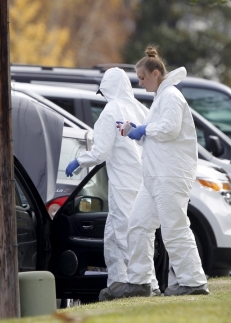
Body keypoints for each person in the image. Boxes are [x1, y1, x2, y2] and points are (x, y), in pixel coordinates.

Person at [111, 46, 209, 298]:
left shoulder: (171, 96)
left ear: (156, 73)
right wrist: (136, 131)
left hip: (171, 175)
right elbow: (158, 134)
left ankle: (194, 282)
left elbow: (170, 129)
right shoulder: (160, 99)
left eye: (142, 78)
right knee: (138, 225)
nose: (140, 84)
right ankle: (140, 281)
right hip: (154, 177)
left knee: (174, 228)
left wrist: (143, 129)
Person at [65, 67, 160, 300]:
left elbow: (100, 152)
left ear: (107, 89)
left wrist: (78, 160)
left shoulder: (110, 112)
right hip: (145, 180)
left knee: (126, 234)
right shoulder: (141, 109)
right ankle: (119, 282)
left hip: (124, 183)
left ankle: (143, 285)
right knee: (126, 233)